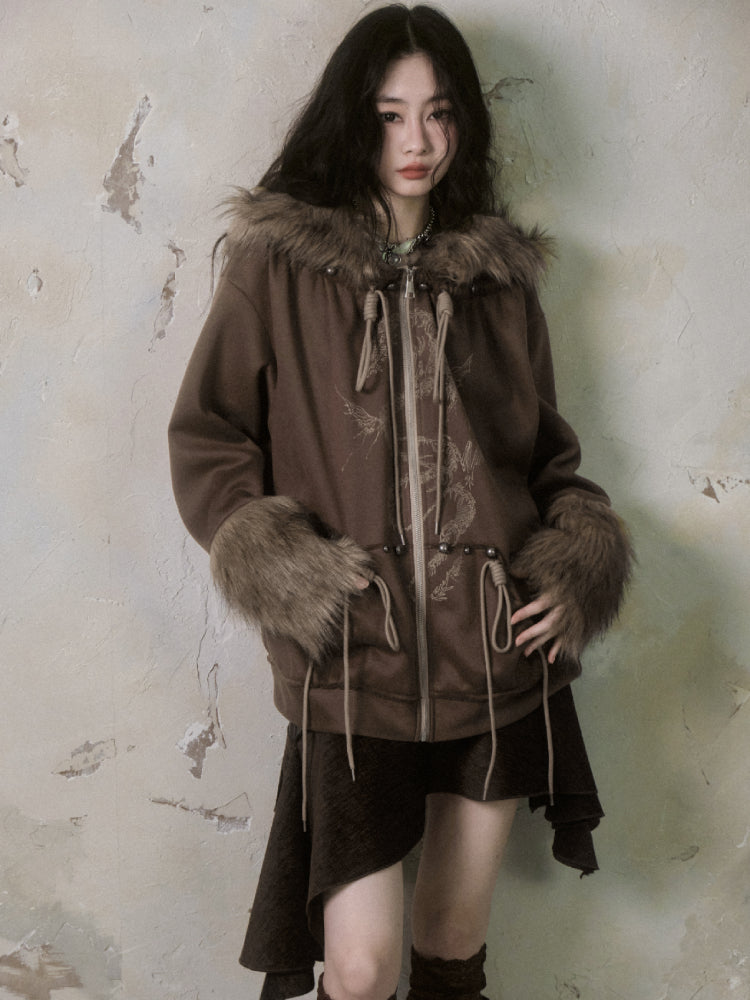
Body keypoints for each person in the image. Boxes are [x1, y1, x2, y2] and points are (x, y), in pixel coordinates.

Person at [168, 5, 632, 1000]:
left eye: (439, 113)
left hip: (494, 657)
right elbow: (209, 437)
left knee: (451, 942)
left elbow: (545, 461)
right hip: (355, 658)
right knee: (363, 966)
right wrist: (284, 571)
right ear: (354, 119)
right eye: (389, 115)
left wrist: (577, 565)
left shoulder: (500, 282)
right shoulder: (277, 267)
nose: (416, 140)